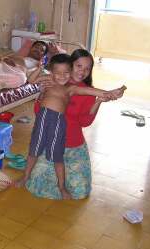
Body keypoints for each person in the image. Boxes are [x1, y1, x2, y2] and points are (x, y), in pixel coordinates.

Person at [24, 49, 126, 199]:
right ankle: (30, 176)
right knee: (37, 184)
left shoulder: (80, 90)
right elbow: (38, 110)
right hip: (48, 139)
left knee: (80, 191)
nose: (82, 71)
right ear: (70, 65)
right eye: (79, 66)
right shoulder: (52, 80)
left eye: (87, 68)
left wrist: (103, 97)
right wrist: (41, 94)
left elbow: (85, 121)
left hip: (73, 145)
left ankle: (62, 185)